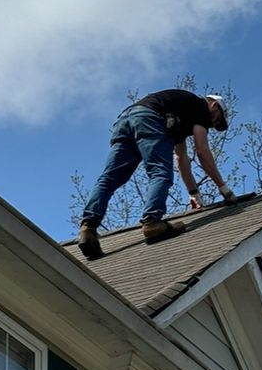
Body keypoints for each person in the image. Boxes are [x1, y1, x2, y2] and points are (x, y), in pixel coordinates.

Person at [78, 88, 237, 259]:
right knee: (160, 171)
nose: (212, 124)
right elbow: (202, 151)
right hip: (149, 118)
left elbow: (181, 158)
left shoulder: (181, 115)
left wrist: (194, 195)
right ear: (213, 105)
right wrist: (224, 188)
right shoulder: (200, 107)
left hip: (126, 120)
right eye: (216, 119)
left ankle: (88, 229)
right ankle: (152, 222)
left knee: (109, 178)